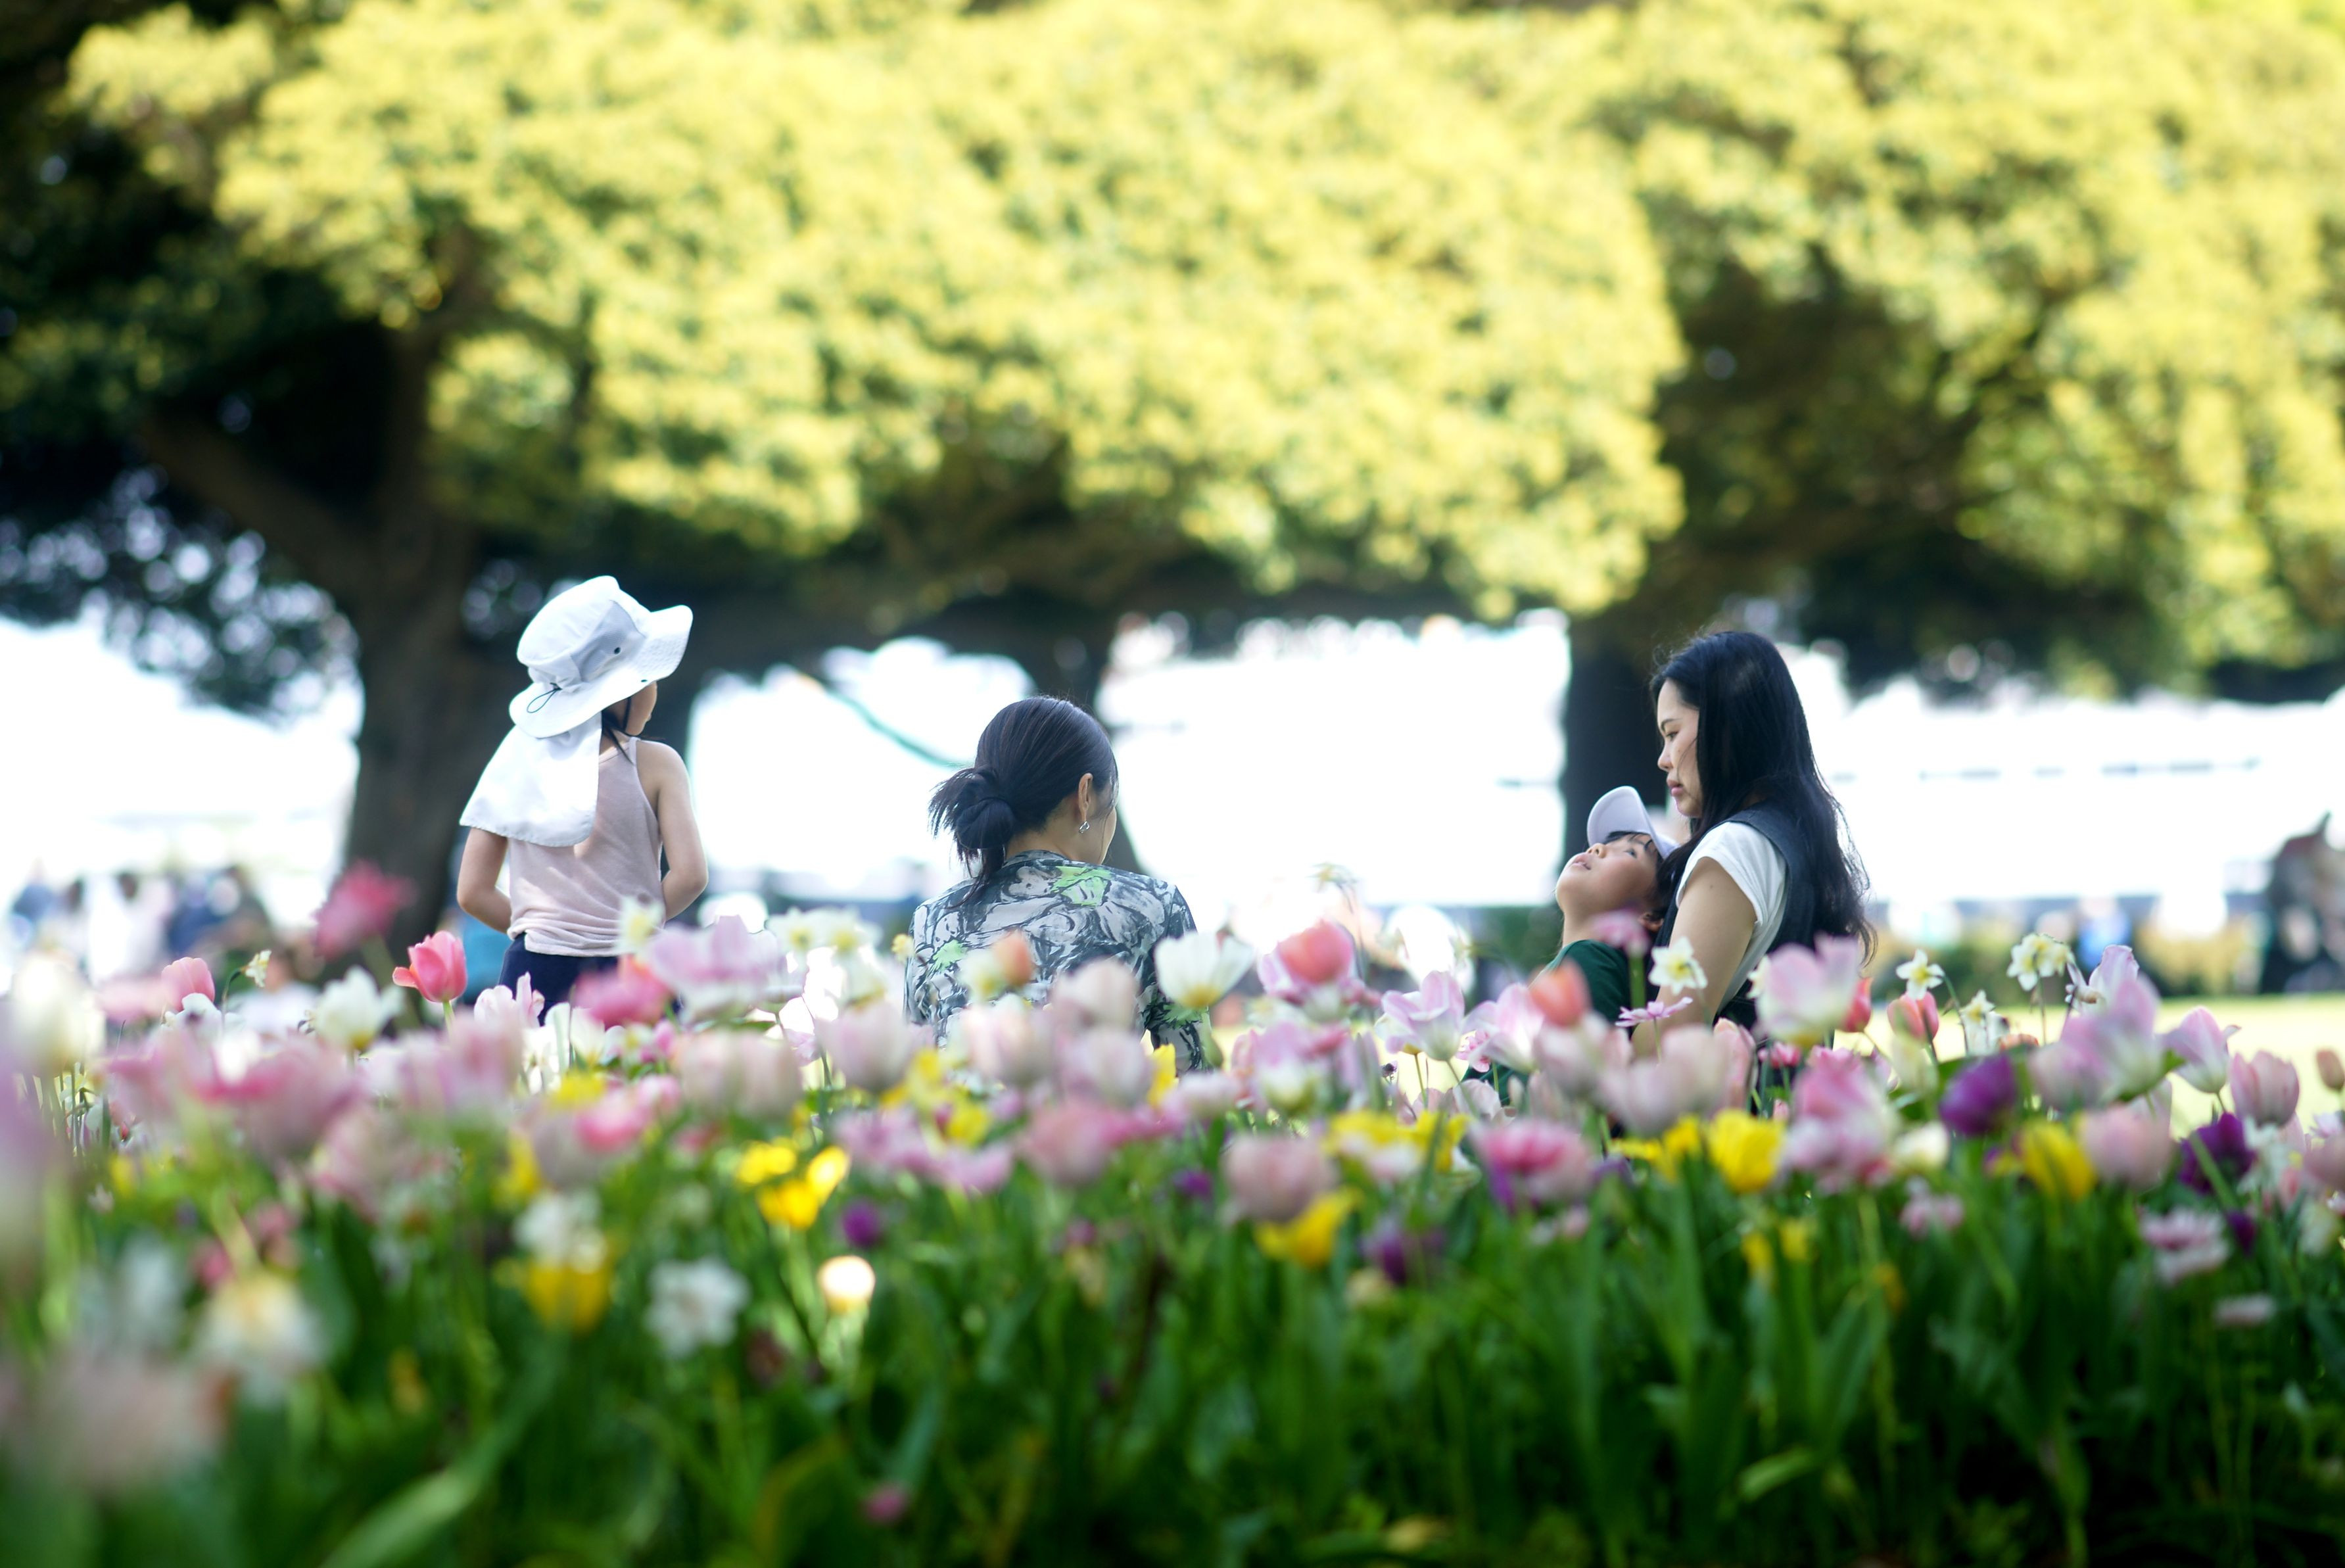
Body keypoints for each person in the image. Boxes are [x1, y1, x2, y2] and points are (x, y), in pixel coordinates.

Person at [903, 696, 1204, 1070]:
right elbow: (1197, 1083)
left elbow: (914, 1081)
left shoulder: (933, 920)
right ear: (1085, 794)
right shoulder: (1153, 907)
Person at [455, 577, 707, 1007]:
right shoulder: (658, 763)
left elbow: (472, 892)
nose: (655, 689)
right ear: (621, 693)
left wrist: (548, 931)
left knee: (540, 1055)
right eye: (648, 678)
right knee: (643, 1055)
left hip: (534, 970)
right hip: (633, 968)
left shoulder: (513, 763)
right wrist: (628, 930)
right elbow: (691, 876)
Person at [1636, 630, 1870, 1045]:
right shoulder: (1793, 839)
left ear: (1726, 727)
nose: (1663, 759)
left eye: (1672, 734)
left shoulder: (1733, 849)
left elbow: (1669, 1041)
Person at [1551, 785, 1676, 1025]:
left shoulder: (1590, 959)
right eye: (1611, 842)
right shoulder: (1582, 961)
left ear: (1651, 916)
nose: (1597, 848)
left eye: (1631, 852)